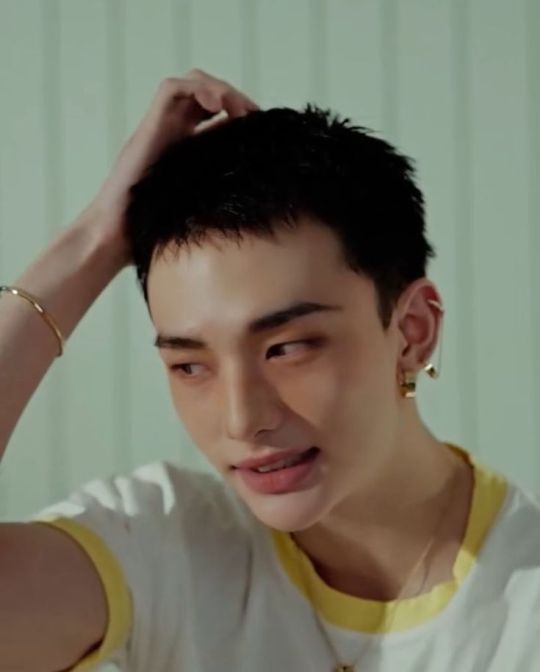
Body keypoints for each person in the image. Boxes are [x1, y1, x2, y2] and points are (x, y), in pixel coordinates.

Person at [0, 69, 538, 672]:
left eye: (287, 348)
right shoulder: (165, 549)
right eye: (190, 365)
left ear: (412, 330)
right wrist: (94, 242)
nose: (242, 419)